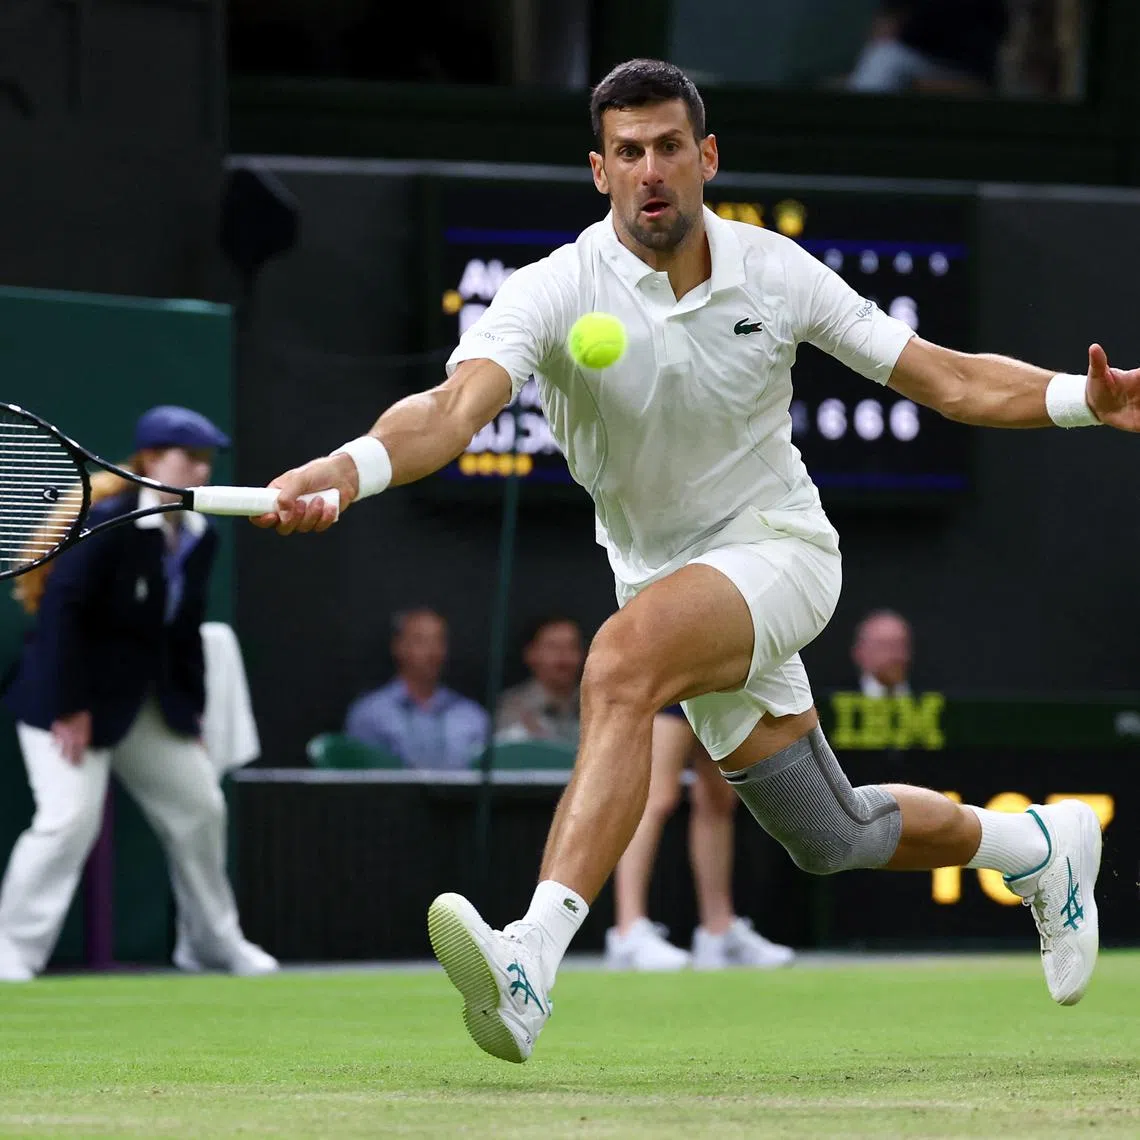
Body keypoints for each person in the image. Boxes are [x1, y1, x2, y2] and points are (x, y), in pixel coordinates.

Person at [257, 58, 1133, 1063]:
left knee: (621, 662)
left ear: (705, 155)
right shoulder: (550, 289)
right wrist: (341, 469)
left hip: (780, 553)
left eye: (669, 146)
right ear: (600, 171)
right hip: (662, 577)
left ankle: (529, 962)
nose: (651, 170)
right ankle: (1040, 847)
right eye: (628, 153)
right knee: (829, 833)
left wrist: (1083, 399)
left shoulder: (777, 272)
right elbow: (451, 412)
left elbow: (948, 383)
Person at [0, 406, 276, 982]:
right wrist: (70, 706)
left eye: (206, 460)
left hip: (141, 704)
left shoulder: (201, 535)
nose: (200, 471)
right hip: (65, 698)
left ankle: (213, 944)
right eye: (188, 458)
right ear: (151, 459)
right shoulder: (109, 523)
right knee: (67, 820)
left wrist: (191, 714)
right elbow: (61, 614)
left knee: (201, 808)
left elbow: (183, 632)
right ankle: (12, 950)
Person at [607, 705, 794, 970]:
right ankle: (628, 930)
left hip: (714, 682)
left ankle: (718, 930)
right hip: (670, 674)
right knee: (655, 796)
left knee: (718, 798)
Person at [343, 607, 489, 770]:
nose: (432, 652)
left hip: (462, 796)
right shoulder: (370, 714)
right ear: (398, 647)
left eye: (438, 641)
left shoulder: (472, 716)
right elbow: (358, 780)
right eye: (421, 641)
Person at [847, 1, 1010, 95]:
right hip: (915, 62)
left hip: (966, 71)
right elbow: (886, 26)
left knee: (884, 59)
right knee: (882, 57)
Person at [494, 616, 583, 747]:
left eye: (572, 647)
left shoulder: (597, 702)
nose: (564, 657)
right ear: (530, 654)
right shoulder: (512, 706)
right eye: (553, 647)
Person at [852, 610, 913, 697]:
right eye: (885, 647)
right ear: (860, 653)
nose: (895, 655)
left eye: (901, 645)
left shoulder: (930, 693)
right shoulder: (833, 698)